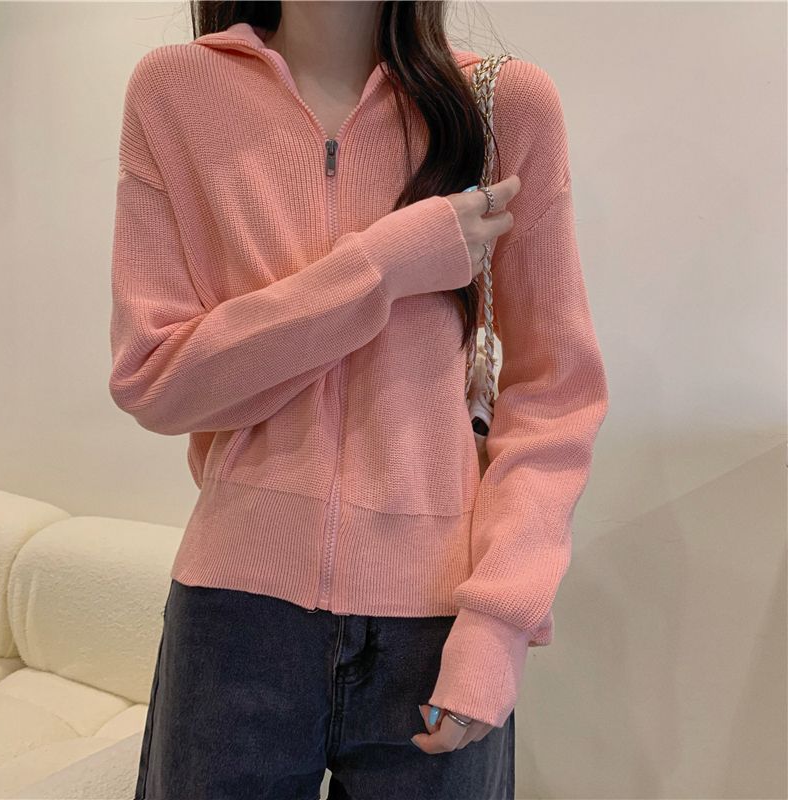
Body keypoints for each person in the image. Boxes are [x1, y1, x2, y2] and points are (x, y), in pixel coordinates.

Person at [109, 1, 609, 798]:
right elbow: (156, 380)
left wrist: (499, 623)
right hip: (235, 619)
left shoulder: (504, 106)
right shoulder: (176, 93)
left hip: (441, 626)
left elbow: (556, 392)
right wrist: (385, 264)